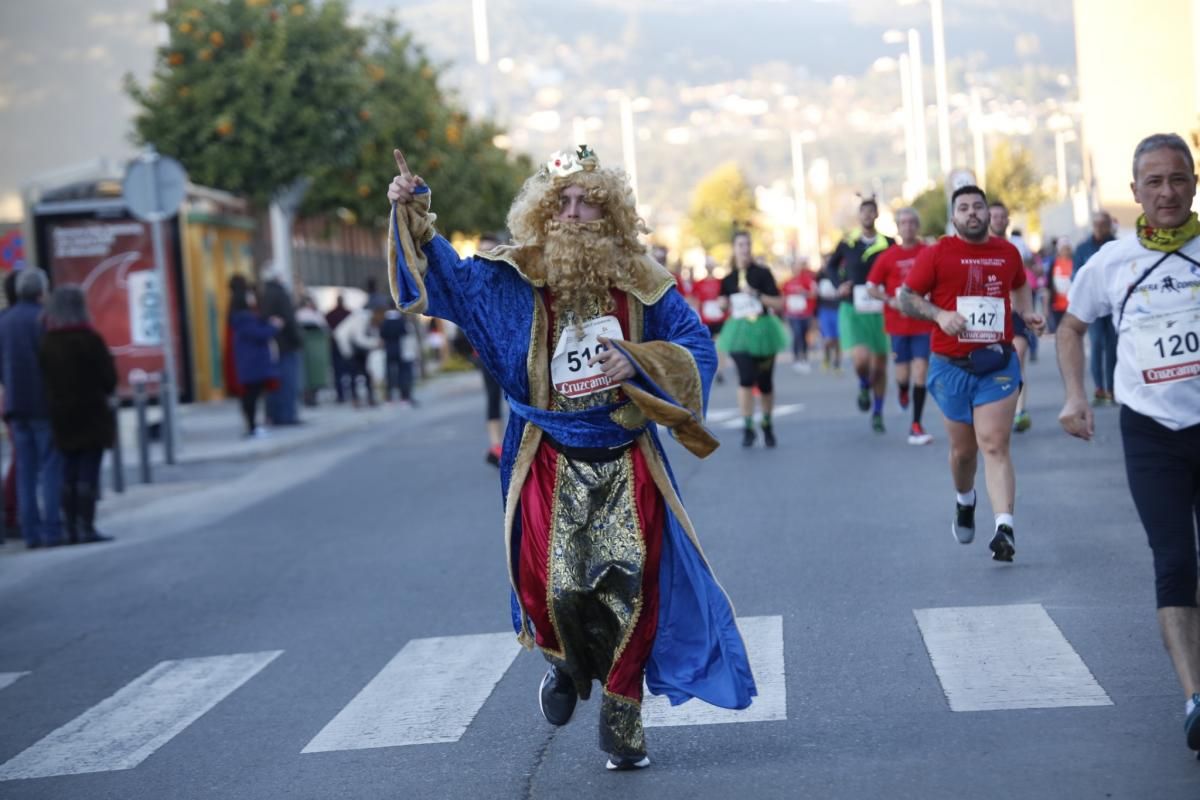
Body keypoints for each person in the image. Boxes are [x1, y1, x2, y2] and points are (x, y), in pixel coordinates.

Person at [385, 144, 754, 771]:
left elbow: (695, 346)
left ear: (609, 214)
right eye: (563, 203)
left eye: (587, 203)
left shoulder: (642, 280)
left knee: (633, 593)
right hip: (547, 456)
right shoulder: (513, 276)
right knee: (549, 587)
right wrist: (414, 214)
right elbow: (447, 279)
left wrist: (639, 359)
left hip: (626, 453)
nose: (573, 214)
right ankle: (562, 663)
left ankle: (622, 721)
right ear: (542, 212)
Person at [1056, 133, 1200, 754]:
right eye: (1154, 182)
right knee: (1175, 563)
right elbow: (1070, 326)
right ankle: (1196, 698)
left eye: (1178, 179)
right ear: (1136, 191)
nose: (1167, 192)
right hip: (1151, 432)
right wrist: (1075, 395)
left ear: (1194, 183)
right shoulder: (1111, 261)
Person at [899, 185, 1046, 562]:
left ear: (987, 212)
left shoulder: (1007, 252)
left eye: (978, 206)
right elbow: (907, 297)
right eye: (963, 208)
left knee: (994, 442)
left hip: (996, 361)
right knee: (964, 452)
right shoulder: (937, 255)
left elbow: (1020, 286)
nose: (972, 213)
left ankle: (1004, 528)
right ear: (954, 217)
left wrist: (1025, 314)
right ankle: (965, 500)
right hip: (950, 365)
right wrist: (939, 315)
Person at [38, 285, 116, 544]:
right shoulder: (90, 339)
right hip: (91, 413)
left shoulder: (48, 342)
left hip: (61, 415)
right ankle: (86, 525)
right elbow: (109, 379)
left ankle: (70, 527)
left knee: (68, 470)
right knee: (88, 471)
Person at [0, 268, 63, 548]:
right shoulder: (44, 319)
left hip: (15, 403)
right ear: (42, 291)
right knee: (50, 466)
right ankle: (52, 530)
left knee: (25, 469)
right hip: (43, 403)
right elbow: (55, 362)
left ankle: (30, 534)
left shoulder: (4, 320)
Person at [866, 207, 934, 445]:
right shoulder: (887, 256)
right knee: (903, 374)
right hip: (897, 325)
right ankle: (903, 390)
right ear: (897, 227)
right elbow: (871, 286)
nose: (907, 227)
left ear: (917, 226)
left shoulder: (928, 251)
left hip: (923, 323)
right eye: (903, 223)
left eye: (911, 222)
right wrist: (889, 300)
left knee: (921, 371)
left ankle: (916, 423)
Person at [716, 229, 790, 447]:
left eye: (747, 245)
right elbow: (722, 302)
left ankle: (766, 423)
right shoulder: (728, 278)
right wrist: (723, 304)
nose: (745, 249)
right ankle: (748, 426)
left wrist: (756, 294)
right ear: (734, 248)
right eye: (740, 245)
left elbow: (779, 303)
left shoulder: (763, 273)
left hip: (764, 330)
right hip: (738, 334)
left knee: (765, 383)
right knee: (746, 377)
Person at [825, 197, 893, 432]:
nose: (867, 215)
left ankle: (878, 411)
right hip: (852, 307)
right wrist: (839, 284)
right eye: (863, 212)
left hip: (879, 309)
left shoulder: (889, 243)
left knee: (880, 366)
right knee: (862, 359)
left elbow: (898, 270)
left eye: (871, 211)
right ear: (859, 216)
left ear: (876, 215)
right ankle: (864, 384)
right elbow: (831, 266)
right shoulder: (847, 242)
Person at [988, 201, 1036, 433]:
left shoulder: (1018, 245)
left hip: (1015, 311)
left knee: (1017, 358)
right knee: (993, 365)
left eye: (1001, 216)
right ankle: (996, 408)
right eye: (993, 216)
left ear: (1008, 220)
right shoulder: (981, 246)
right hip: (989, 314)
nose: (998, 220)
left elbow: (1030, 271)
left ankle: (1020, 411)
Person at [1073, 210, 1119, 405]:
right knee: (1097, 345)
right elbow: (1075, 275)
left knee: (1113, 348)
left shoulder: (1118, 246)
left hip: (1114, 304)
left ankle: (1112, 389)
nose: (1100, 228)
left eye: (1104, 224)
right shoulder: (1083, 248)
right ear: (1093, 226)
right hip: (1093, 305)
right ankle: (1099, 389)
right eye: (1097, 224)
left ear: (1109, 226)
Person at [228, 275, 282, 437]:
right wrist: (274, 327)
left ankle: (252, 426)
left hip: (251, 361)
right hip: (252, 361)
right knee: (251, 395)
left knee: (251, 394)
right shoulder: (243, 317)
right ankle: (251, 427)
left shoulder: (240, 316)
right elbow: (258, 334)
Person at [260, 269, 302, 426]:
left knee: (275, 383)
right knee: (288, 382)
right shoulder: (281, 294)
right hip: (286, 344)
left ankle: (274, 415)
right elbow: (289, 319)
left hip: (272, 345)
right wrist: (297, 340)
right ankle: (287, 415)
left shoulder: (264, 294)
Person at [332, 300, 385, 407]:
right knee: (351, 372)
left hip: (355, 347)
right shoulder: (362, 318)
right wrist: (375, 343)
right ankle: (354, 399)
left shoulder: (372, 321)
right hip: (343, 343)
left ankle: (369, 398)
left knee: (366, 372)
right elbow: (359, 338)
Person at [691, 261, 728, 383]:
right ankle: (709, 369)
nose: (710, 268)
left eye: (712, 266)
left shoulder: (720, 282)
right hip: (706, 318)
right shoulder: (699, 283)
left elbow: (725, 298)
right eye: (708, 266)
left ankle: (720, 371)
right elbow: (695, 301)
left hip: (719, 317)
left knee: (720, 345)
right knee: (708, 346)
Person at [781, 258, 817, 373]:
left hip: (805, 313)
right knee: (797, 335)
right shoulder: (787, 282)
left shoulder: (807, 280)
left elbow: (814, 293)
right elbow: (782, 297)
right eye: (794, 266)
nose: (796, 269)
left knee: (804, 335)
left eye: (798, 266)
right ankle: (797, 359)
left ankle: (804, 358)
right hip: (792, 314)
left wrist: (804, 293)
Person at [296, 296, 331, 407]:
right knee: (309, 374)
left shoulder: (316, 314)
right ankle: (308, 396)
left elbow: (325, 328)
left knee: (314, 375)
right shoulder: (301, 314)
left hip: (316, 347)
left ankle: (311, 396)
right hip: (307, 348)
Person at [379, 307, 416, 405]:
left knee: (389, 374)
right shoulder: (401, 321)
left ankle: (389, 397)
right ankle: (404, 396)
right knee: (402, 374)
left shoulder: (385, 322)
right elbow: (405, 332)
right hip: (401, 349)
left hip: (389, 350)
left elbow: (382, 334)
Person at [325, 295, 352, 403]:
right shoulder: (348, 314)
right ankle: (349, 393)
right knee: (348, 370)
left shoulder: (330, 314)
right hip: (346, 346)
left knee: (337, 371)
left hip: (335, 344)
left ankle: (340, 395)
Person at [1045, 238, 1074, 332]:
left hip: (1072, 306)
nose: (1065, 251)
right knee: (1058, 332)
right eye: (1063, 248)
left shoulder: (1075, 263)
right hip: (1057, 306)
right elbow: (1048, 287)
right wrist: (1046, 307)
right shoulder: (1054, 264)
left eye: (1067, 248)